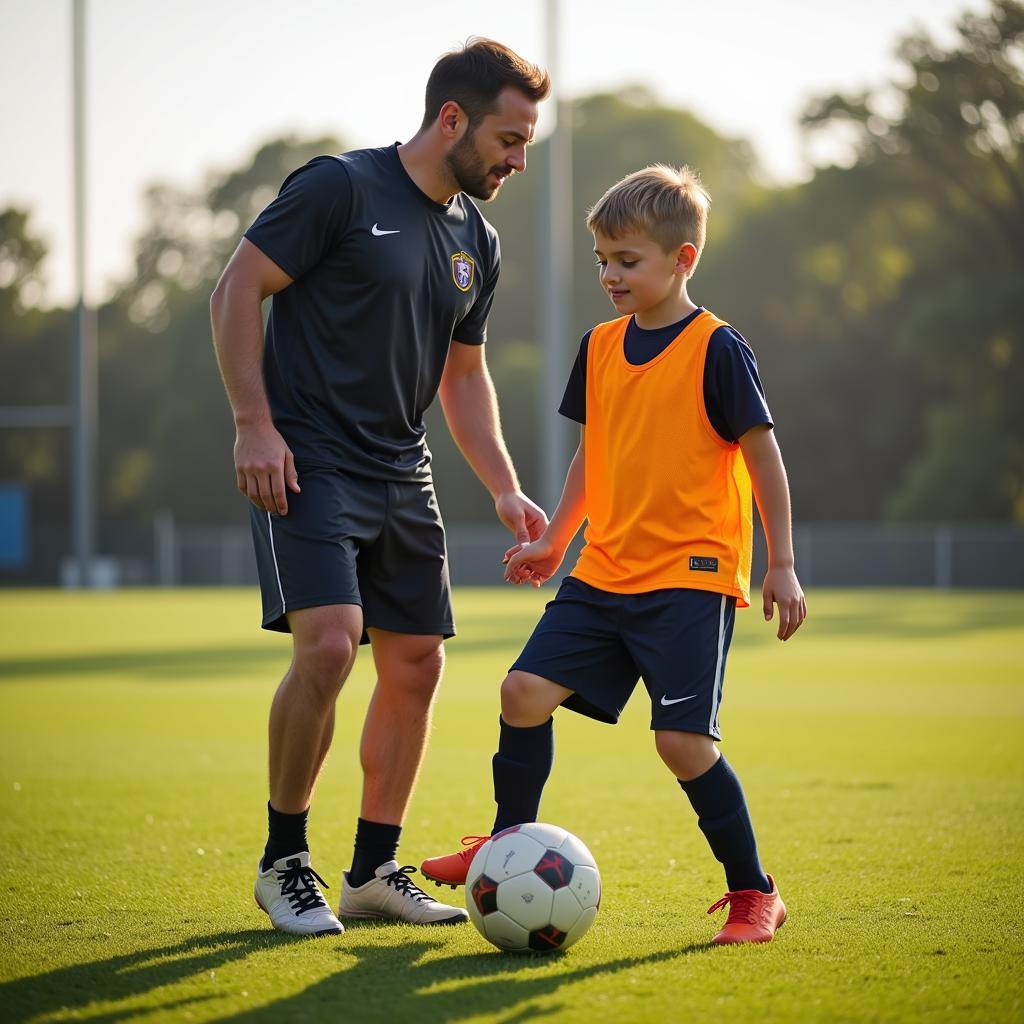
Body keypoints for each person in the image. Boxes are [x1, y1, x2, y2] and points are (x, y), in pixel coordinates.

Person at [210, 38, 550, 936]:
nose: (518, 160)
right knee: (327, 649)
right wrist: (254, 423)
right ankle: (286, 861)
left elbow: (464, 377)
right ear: (452, 119)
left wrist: (506, 489)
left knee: (417, 663)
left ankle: (372, 871)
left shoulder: (475, 237)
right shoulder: (339, 188)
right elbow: (239, 288)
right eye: (509, 140)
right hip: (308, 460)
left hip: (406, 472)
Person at [420, 164, 807, 945]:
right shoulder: (599, 347)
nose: (609, 276)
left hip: (690, 578)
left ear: (682, 260)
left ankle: (753, 892)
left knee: (683, 745)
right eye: (602, 260)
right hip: (604, 570)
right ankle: (502, 847)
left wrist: (782, 562)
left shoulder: (718, 348)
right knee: (522, 692)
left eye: (626, 262)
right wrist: (556, 540)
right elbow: (595, 455)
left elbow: (763, 456)